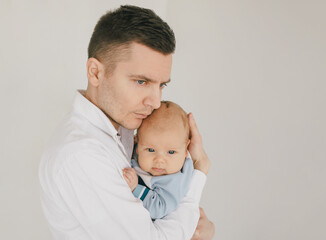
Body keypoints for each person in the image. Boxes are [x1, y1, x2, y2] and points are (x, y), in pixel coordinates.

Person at [38, 5, 214, 240]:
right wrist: (199, 173)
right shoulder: (81, 154)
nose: (155, 101)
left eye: (161, 85)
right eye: (141, 82)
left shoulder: (128, 131)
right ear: (95, 73)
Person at [123, 101, 194, 219]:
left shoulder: (173, 180)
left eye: (171, 152)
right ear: (137, 144)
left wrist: (135, 188)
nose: (159, 160)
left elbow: (159, 209)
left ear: (186, 150)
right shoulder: (133, 153)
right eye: (150, 150)